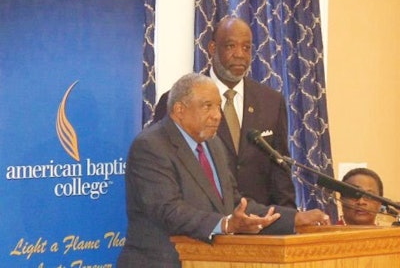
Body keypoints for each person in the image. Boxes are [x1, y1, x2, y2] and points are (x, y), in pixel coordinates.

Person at [117, 73, 330, 267]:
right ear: (179, 110)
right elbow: (168, 210)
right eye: (207, 106)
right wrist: (226, 224)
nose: (217, 115)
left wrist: (293, 219)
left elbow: (234, 203)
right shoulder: (151, 146)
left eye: (218, 107)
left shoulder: (214, 145)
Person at [152, 16, 296, 209]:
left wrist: (289, 219)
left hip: (261, 227)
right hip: (202, 227)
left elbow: (280, 173)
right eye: (230, 46)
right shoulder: (180, 101)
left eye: (246, 48)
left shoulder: (271, 101)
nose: (239, 54)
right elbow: (165, 170)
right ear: (212, 48)